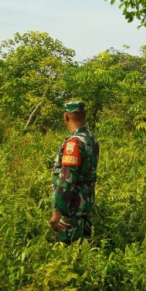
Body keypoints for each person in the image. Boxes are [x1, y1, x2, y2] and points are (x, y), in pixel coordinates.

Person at [49, 100, 99, 242]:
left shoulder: (74, 143)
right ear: (84, 115)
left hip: (71, 210)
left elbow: (67, 179)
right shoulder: (91, 138)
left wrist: (57, 210)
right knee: (83, 251)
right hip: (85, 206)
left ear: (66, 116)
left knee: (68, 252)